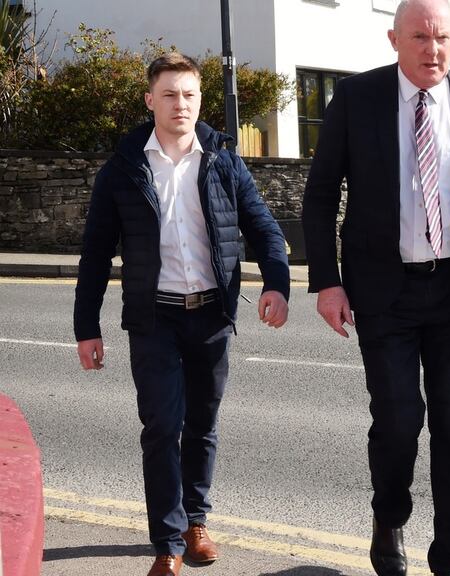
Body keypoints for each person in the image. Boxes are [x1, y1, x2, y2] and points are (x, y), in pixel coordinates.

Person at [301, 0, 450, 573]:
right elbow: (321, 193)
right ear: (394, 39)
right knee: (400, 418)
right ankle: (390, 515)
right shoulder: (355, 101)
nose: (434, 50)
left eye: (443, 38)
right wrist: (327, 283)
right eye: (421, 38)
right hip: (384, 289)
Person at [73, 52, 291, 576]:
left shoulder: (222, 160)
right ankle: (168, 544)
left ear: (199, 100)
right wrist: (87, 328)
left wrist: (278, 285)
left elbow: (263, 227)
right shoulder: (124, 169)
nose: (180, 104)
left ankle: (197, 520)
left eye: (189, 94)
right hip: (155, 319)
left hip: (212, 315)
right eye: (169, 94)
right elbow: (96, 252)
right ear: (150, 101)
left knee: (202, 425)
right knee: (161, 426)